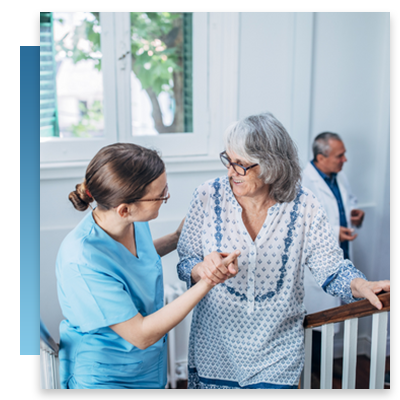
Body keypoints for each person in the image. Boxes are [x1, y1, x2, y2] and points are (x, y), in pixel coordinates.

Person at [177, 112, 390, 389]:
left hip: (277, 352)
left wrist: (359, 284)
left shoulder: (304, 204)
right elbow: (186, 261)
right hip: (215, 349)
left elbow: (330, 266)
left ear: (271, 165)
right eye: (228, 160)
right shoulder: (207, 195)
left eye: (241, 165)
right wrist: (199, 268)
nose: (231, 172)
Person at [56, 143, 240, 389]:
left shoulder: (130, 221)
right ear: (125, 209)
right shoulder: (81, 259)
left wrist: (176, 237)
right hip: (107, 377)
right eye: (160, 194)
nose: (167, 197)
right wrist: (208, 280)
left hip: (146, 369)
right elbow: (141, 334)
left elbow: (133, 260)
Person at [301, 133, 365, 371]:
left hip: (341, 258)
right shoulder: (303, 182)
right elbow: (301, 224)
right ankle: (313, 372)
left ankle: (325, 367)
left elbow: (347, 203)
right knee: (316, 324)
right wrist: (335, 231)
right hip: (316, 267)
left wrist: (356, 214)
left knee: (336, 318)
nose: (345, 160)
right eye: (340, 155)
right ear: (321, 157)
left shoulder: (339, 177)